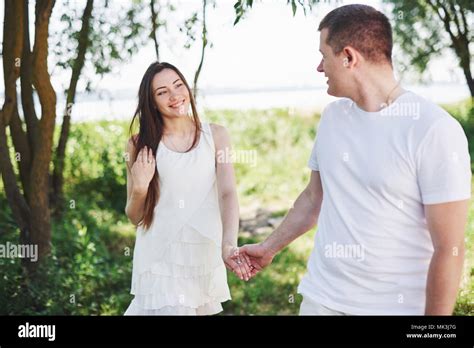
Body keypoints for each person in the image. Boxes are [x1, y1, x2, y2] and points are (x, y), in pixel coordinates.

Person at [240, 4, 471, 315]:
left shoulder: (433, 129)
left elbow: (450, 249)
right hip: (321, 299)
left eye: (323, 56)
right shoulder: (332, 118)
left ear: (348, 57)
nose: (319, 68)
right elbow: (313, 198)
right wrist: (269, 248)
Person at [124, 62, 251, 315]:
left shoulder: (216, 135)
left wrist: (229, 244)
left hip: (203, 256)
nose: (174, 96)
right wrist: (139, 187)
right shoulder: (140, 144)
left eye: (178, 85)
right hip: (161, 260)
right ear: (152, 102)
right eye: (162, 92)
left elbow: (227, 193)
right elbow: (134, 216)